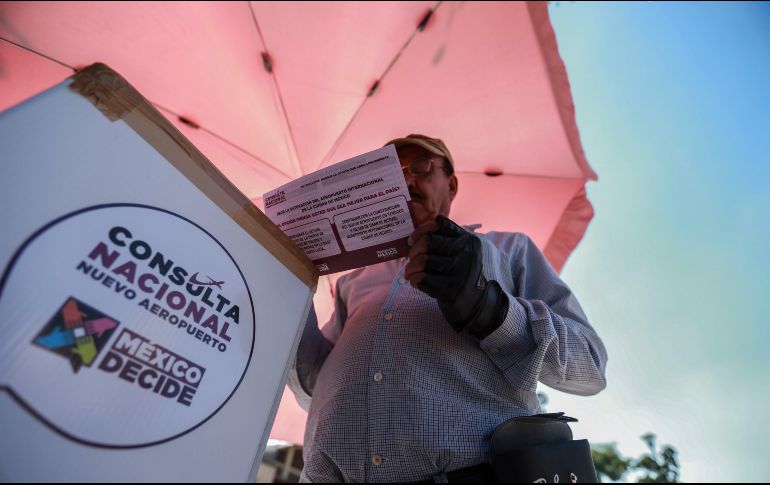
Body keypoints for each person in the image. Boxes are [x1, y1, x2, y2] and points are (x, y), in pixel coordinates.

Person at [288, 134, 608, 483]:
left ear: (451, 185)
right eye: (389, 171)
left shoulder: (508, 250)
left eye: (421, 167)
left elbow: (589, 366)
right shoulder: (352, 281)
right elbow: (316, 390)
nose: (406, 180)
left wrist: (489, 308)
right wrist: (286, 296)